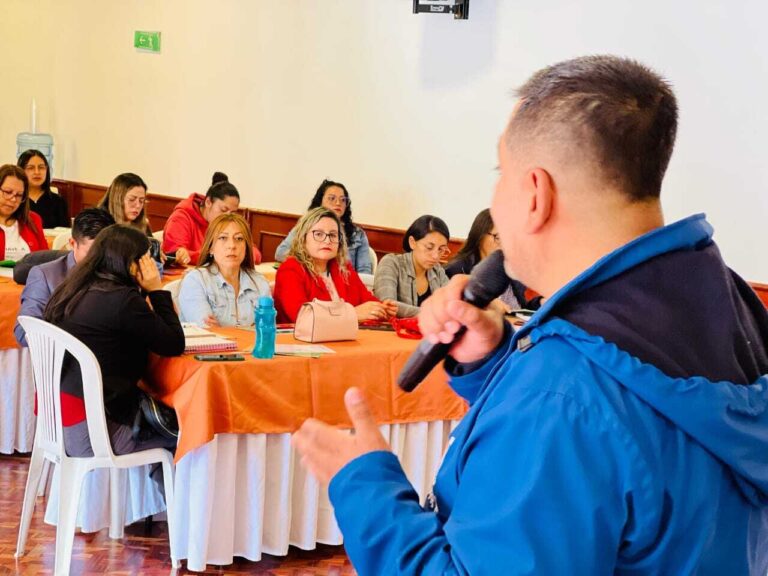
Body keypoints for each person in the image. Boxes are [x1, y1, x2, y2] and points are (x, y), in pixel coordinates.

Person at [291, 55, 768, 575]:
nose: (495, 201)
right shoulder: (732, 303)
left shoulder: (559, 393)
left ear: (536, 194)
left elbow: (584, 417)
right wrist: (496, 361)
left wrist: (364, 487)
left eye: (501, 175)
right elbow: (645, 442)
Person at [44, 224, 184, 457]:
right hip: (94, 430)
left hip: (57, 418)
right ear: (131, 262)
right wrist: (156, 291)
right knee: (188, 436)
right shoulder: (122, 299)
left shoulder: (73, 287)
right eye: (146, 259)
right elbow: (173, 344)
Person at [273, 207, 396, 323]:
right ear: (303, 238)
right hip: (300, 338)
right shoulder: (290, 270)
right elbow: (303, 317)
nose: (327, 241)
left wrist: (382, 308)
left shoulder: (343, 268)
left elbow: (366, 301)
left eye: (333, 235)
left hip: (345, 336)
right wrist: (353, 314)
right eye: (318, 234)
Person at [14, 208, 115, 346]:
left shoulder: (118, 270)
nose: (100, 259)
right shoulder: (45, 276)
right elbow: (24, 330)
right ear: (72, 244)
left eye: (105, 252)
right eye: (92, 253)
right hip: (62, 354)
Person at [178, 213, 270, 327]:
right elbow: (208, 331)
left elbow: (267, 329)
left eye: (239, 239)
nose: (232, 246)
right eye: (223, 238)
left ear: (246, 248)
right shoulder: (195, 281)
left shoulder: (260, 283)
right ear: (211, 248)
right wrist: (251, 329)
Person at [446, 208, 541, 311]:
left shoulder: (511, 268)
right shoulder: (456, 270)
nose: (504, 243)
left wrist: (540, 302)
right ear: (480, 235)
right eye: (498, 237)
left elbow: (521, 308)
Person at [162, 171, 261, 266]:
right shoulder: (181, 218)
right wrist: (217, 255)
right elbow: (175, 254)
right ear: (208, 202)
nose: (228, 217)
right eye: (223, 210)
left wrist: (242, 253)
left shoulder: (231, 223)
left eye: (233, 212)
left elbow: (255, 253)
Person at [275, 179, 373, 274]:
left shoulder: (358, 234)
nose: (338, 203)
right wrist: (314, 264)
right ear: (320, 201)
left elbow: (365, 271)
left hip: (346, 281)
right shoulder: (305, 226)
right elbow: (280, 253)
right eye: (332, 198)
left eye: (343, 200)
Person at [373, 215, 450, 318]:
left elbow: (450, 307)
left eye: (441, 249)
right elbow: (388, 305)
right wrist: (433, 314)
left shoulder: (438, 271)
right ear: (412, 243)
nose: (435, 256)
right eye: (429, 247)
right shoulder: (391, 263)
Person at [0, 164, 47, 261]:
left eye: (19, 195)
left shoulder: (33, 219)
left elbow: (45, 258)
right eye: (8, 192)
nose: (13, 199)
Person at [18, 149, 68, 228]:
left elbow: (65, 232)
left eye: (41, 167)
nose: (37, 172)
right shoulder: (15, 200)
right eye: (31, 168)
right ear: (21, 171)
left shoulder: (58, 201)